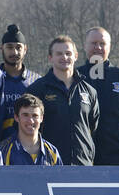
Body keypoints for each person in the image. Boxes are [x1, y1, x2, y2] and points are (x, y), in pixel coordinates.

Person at [25, 35, 99, 165]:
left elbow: (93, 126)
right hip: (49, 164)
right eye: (59, 54)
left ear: (75, 56)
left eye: (68, 53)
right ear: (50, 58)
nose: (64, 57)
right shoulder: (37, 90)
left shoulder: (89, 91)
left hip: (83, 165)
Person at [78, 26, 119, 166]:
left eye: (102, 44)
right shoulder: (74, 77)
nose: (98, 47)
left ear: (110, 46)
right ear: (85, 45)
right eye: (94, 43)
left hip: (115, 155)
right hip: (79, 155)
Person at [0, 24, 41, 140]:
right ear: (1, 48)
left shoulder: (37, 81)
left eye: (18, 47)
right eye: (10, 47)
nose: (14, 52)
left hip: (29, 147)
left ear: (25, 49)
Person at [0, 94, 62, 165]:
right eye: (25, 115)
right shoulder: (2, 151)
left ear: (41, 118)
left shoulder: (52, 153)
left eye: (35, 116)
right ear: (16, 117)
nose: (31, 121)